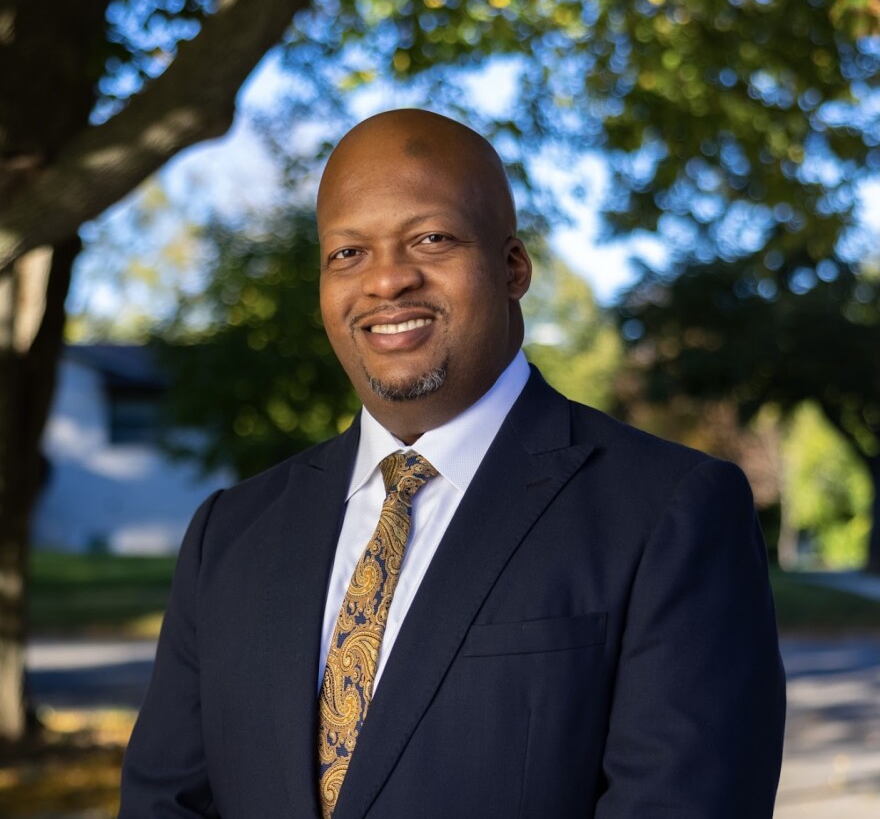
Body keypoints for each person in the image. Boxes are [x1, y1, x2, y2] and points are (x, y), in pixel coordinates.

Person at [119, 109, 786, 819]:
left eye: (430, 239)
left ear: (512, 267)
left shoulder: (669, 513)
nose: (386, 281)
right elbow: (165, 801)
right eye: (348, 253)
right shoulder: (229, 534)